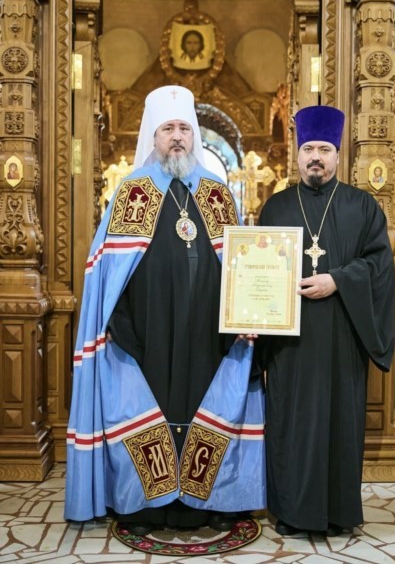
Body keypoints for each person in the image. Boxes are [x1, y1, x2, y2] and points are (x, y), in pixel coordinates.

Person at [64, 85, 265, 536]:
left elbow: (241, 266)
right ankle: (143, 506)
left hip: (207, 332)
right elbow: (108, 272)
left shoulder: (217, 194)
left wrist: (248, 315)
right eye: (168, 129)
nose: (177, 137)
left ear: (194, 136)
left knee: (204, 406)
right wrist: (119, 325)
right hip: (146, 331)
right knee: (147, 406)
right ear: (152, 137)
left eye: (184, 129)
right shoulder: (131, 193)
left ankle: (208, 502)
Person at [257, 105, 395, 538]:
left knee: (338, 424)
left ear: (337, 155)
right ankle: (292, 513)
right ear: (297, 155)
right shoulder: (276, 208)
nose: (315, 157)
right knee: (292, 424)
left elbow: (379, 265)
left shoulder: (362, 206)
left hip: (341, 339)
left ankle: (338, 513)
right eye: (308, 149)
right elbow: (257, 271)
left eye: (324, 149)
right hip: (290, 344)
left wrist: (337, 280)